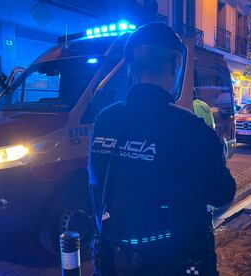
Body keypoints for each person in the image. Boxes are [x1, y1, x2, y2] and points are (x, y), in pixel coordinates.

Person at [88, 23, 236, 275]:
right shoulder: (192, 128)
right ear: (176, 64)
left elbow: (95, 181)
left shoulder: (105, 120)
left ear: (132, 66)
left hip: (114, 256)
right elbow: (222, 194)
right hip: (176, 260)